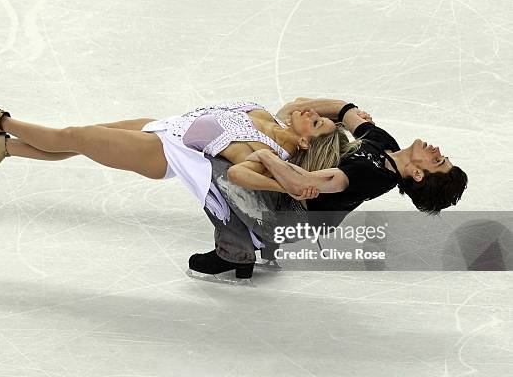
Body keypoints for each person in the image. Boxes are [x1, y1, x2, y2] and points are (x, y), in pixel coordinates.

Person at [0, 92, 358, 240]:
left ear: (306, 141)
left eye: (316, 121)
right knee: (81, 142)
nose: (307, 111)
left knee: (75, 136)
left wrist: (286, 185)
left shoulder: (269, 150)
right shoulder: (273, 114)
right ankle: (1, 151)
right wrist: (349, 113)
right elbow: (306, 100)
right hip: (163, 127)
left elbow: (238, 175)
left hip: (163, 154)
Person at [188, 98, 469, 280]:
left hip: (290, 218)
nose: (437, 151)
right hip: (296, 209)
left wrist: (266, 156)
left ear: (418, 174)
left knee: (210, 160)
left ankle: (234, 251)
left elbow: (303, 184)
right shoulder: (385, 144)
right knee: (282, 140)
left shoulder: (373, 176)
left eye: (438, 161)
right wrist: (346, 109)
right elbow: (342, 113)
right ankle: (261, 242)